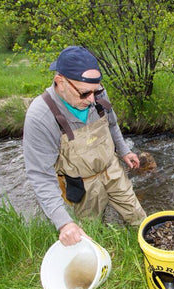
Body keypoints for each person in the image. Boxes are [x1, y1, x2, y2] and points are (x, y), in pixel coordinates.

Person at [23, 46, 146, 246]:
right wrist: (63, 223)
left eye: (96, 91)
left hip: (112, 170)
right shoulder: (41, 116)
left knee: (138, 218)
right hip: (82, 186)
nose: (91, 99)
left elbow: (112, 125)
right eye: (84, 93)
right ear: (60, 82)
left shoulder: (97, 93)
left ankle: (145, 250)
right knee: (91, 234)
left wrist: (124, 151)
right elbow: (40, 175)